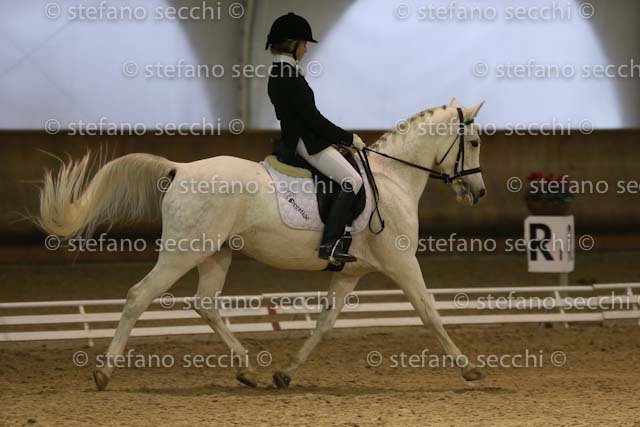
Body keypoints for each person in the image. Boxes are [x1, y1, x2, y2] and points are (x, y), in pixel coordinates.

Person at [266, 12, 365, 264]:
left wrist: (335, 141)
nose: (306, 49)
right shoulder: (288, 76)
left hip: (302, 137)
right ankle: (330, 244)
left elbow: (306, 118)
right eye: (304, 44)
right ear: (292, 45)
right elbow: (313, 119)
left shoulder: (282, 72)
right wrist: (347, 138)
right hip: (304, 142)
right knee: (352, 180)